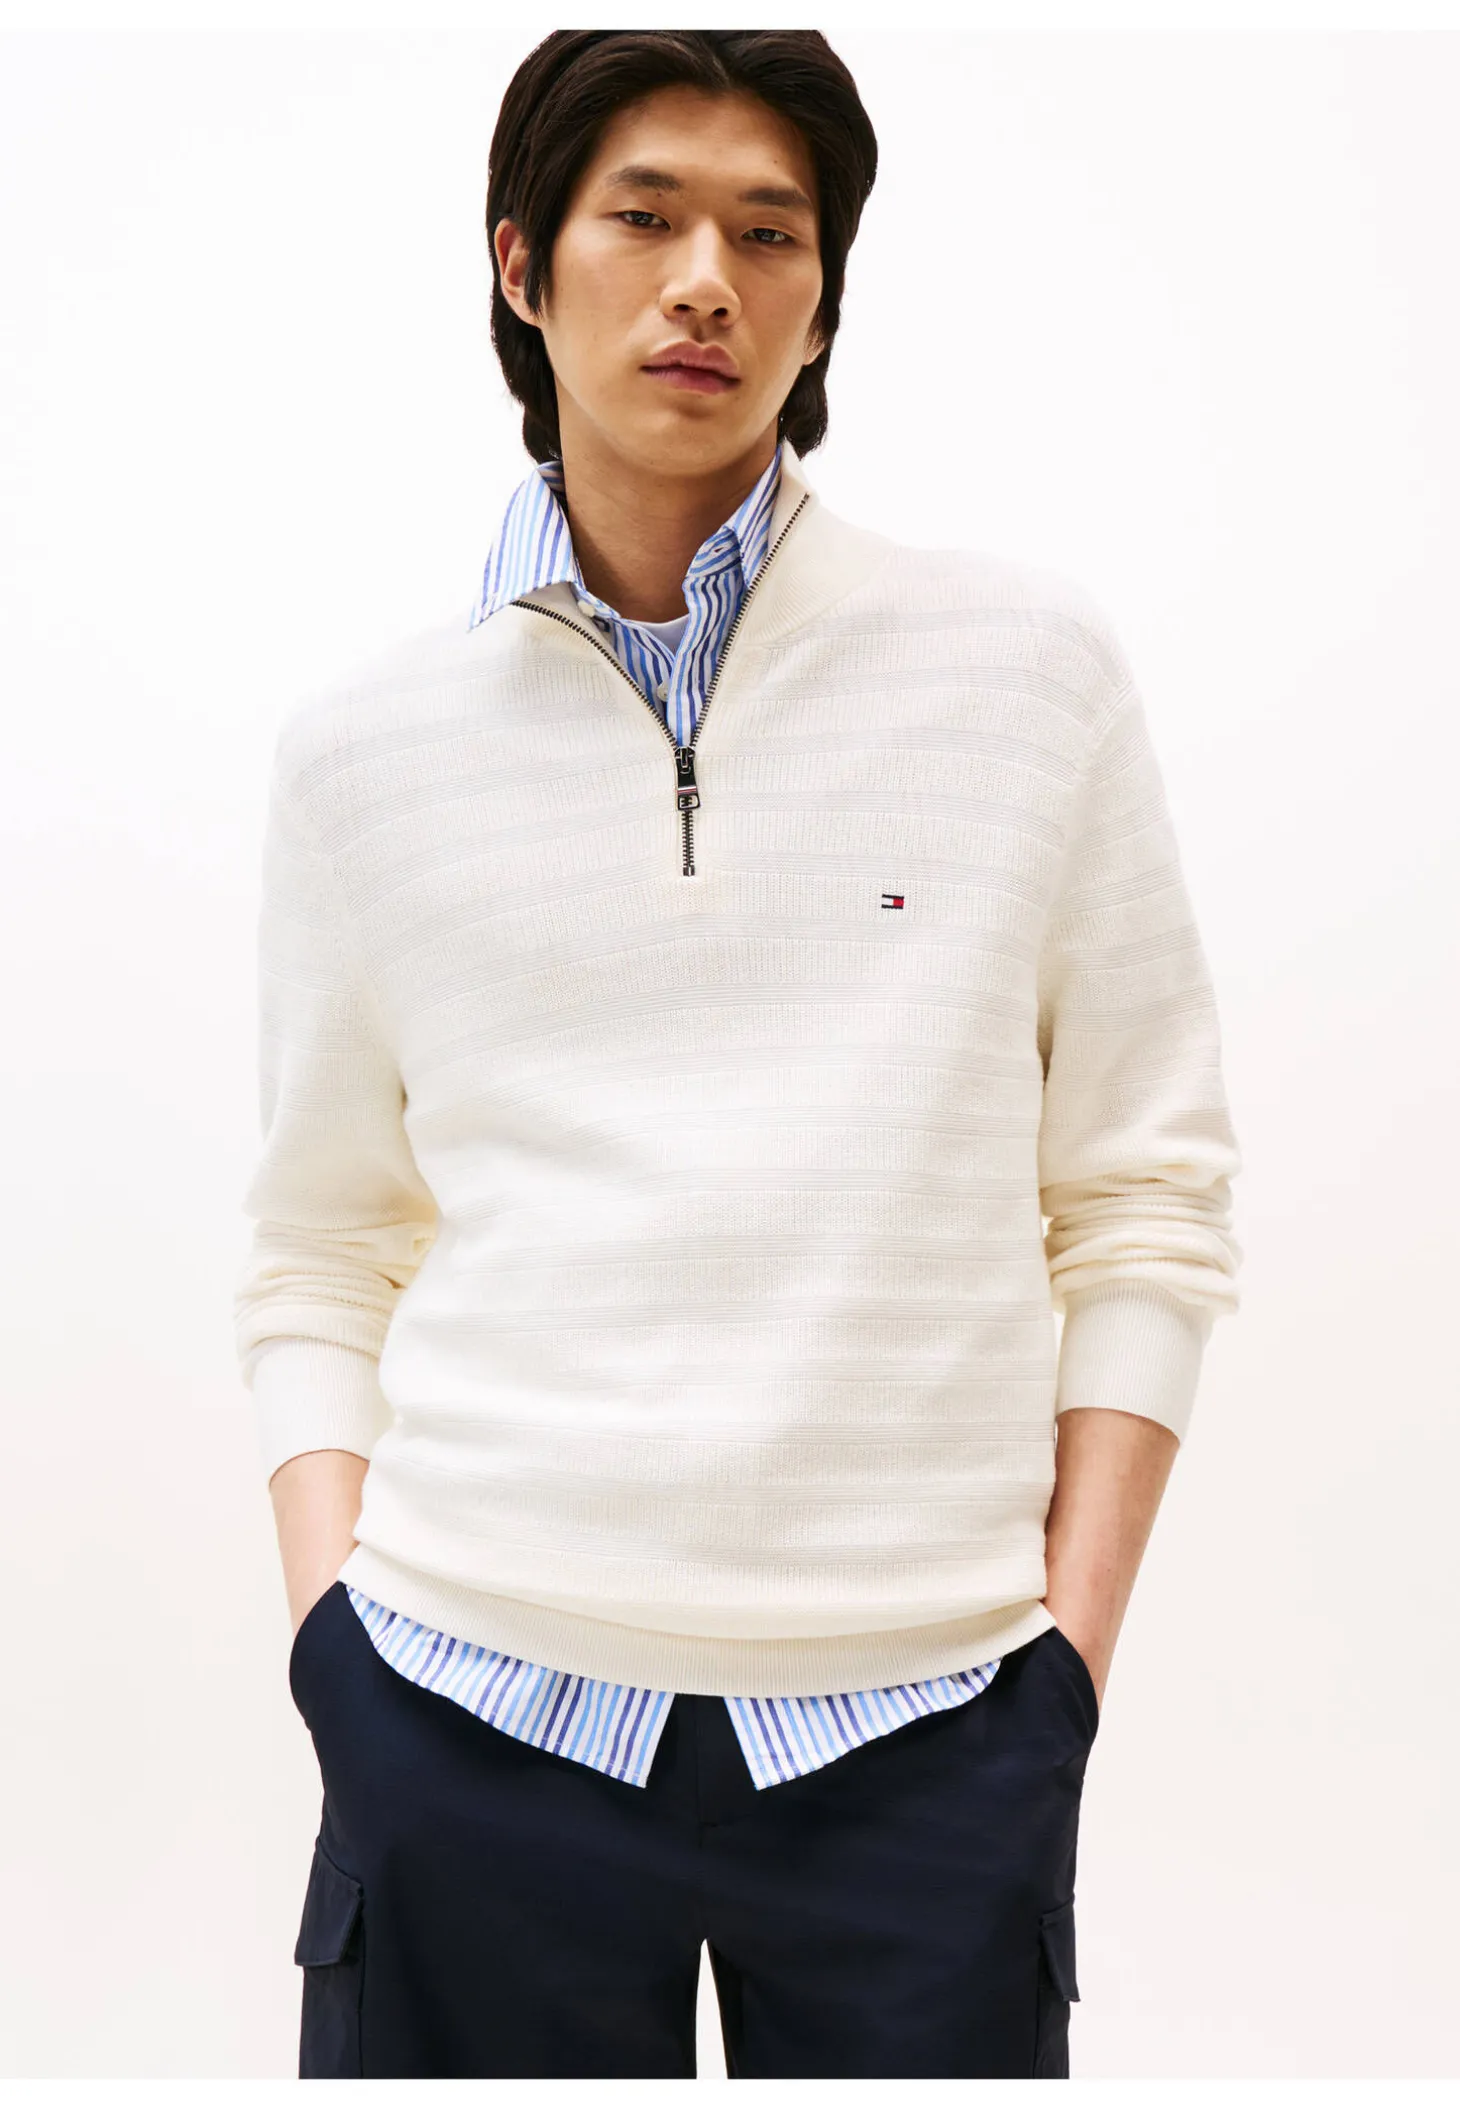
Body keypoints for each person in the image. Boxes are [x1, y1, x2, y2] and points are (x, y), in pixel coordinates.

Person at [236, 29, 1243, 2082]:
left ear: (821, 301)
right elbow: (319, 1243)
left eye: (769, 235)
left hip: (927, 1738)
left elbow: (1145, 1191)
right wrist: (336, 1647)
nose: (707, 278)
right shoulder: (362, 754)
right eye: (646, 216)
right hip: (464, 1716)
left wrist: (1062, 1667)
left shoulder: (1025, 675)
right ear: (523, 267)